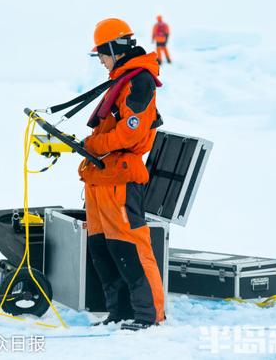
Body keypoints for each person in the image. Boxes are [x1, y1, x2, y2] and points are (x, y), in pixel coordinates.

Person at [81, 18, 165, 331]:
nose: (101, 60)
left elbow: (129, 134)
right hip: (100, 176)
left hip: (120, 177)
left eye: (101, 53)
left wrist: (93, 143)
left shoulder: (139, 80)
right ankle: (117, 312)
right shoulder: (121, 79)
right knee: (104, 248)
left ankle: (148, 314)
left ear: (115, 49)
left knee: (131, 246)